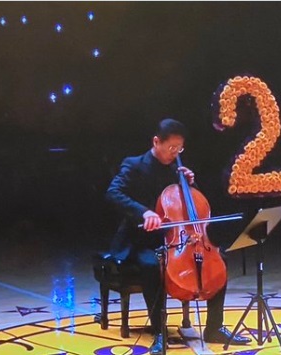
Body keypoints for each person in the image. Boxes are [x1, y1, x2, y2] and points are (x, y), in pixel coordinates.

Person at [105, 118, 250, 354]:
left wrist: (189, 184)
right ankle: (160, 333)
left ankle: (214, 327)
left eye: (179, 148)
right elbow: (113, 192)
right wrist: (145, 212)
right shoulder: (133, 165)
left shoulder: (176, 170)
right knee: (153, 266)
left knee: (218, 261)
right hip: (143, 239)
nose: (175, 153)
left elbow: (189, 208)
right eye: (171, 147)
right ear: (156, 142)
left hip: (180, 240)